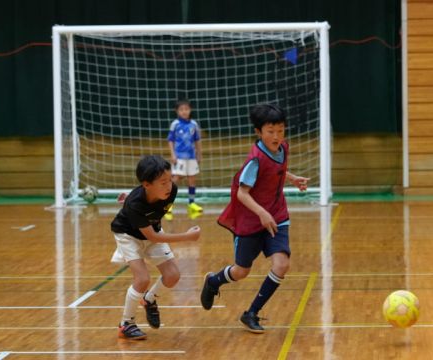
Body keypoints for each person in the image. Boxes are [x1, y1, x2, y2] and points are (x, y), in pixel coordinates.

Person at [199, 103, 309, 333]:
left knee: (282, 265)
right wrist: (261, 212)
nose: (276, 136)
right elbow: (242, 193)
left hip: (277, 215)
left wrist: (291, 178)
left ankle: (251, 313)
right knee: (241, 271)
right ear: (258, 132)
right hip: (251, 220)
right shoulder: (256, 159)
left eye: (280, 130)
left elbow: (277, 169)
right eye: (271, 131)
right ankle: (213, 282)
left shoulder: (283, 148)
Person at [110, 155, 201, 340]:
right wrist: (187, 236)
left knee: (173, 275)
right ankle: (126, 324)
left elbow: (153, 222)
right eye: (162, 182)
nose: (168, 186)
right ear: (146, 184)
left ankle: (149, 299)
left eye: (169, 180)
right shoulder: (135, 204)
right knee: (142, 278)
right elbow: (152, 236)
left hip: (151, 230)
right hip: (128, 235)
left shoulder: (172, 191)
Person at [166, 99, 203, 220]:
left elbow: (197, 140)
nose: (184, 111)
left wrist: (199, 154)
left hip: (191, 157)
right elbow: (170, 140)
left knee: (192, 179)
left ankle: (191, 203)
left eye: (186, 109)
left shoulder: (194, 124)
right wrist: (173, 155)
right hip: (179, 157)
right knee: (176, 178)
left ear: (190, 110)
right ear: (177, 111)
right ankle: (167, 204)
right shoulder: (175, 124)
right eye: (181, 109)